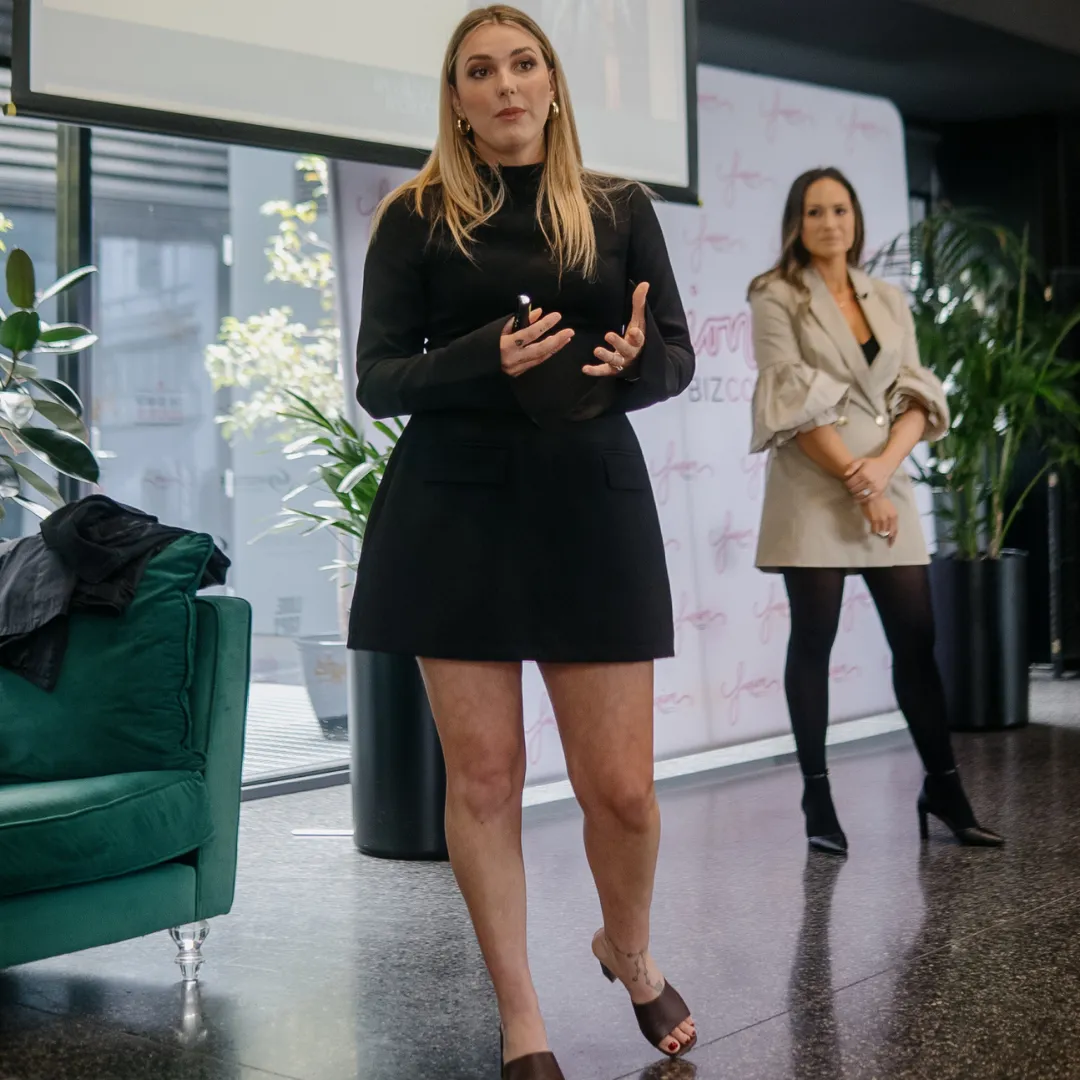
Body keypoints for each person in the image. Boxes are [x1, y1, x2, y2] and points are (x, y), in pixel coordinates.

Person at [348, 7, 697, 1076]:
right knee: (486, 781)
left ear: (552, 83)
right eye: (480, 71)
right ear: (456, 98)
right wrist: (482, 358)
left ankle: (626, 949)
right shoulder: (415, 216)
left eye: (523, 64)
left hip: (590, 506)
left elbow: (675, 354)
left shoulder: (619, 207)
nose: (505, 84)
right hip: (453, 513)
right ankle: (522, 1017)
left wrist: (633, 363)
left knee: (623, 792)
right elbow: (378, 378)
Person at [747, 167, 1003, 857]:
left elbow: (916, 392)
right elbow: (789, 400)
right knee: (814, 641)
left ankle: (944, 789)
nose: (829, 222)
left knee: (916, 641)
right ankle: (818, 797)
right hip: (814, 484)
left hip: (884, 477)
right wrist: (863, 483)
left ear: (855, 218)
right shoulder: (775, 294)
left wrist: (884, 469)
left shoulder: (887, 297)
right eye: (814, 211)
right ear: (796, 223)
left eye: (840, 209)